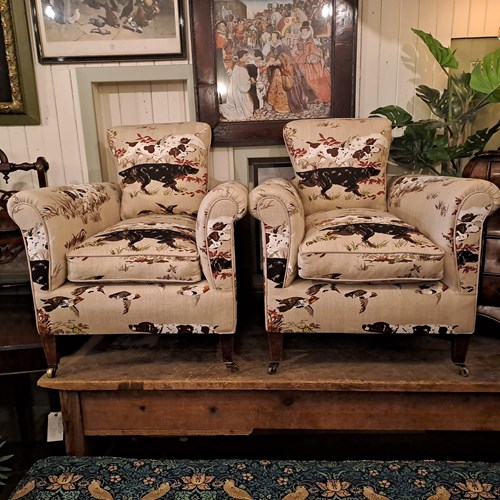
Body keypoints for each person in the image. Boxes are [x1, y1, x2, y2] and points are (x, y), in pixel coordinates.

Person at [294, 21, 331, 103]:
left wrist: (309, 58)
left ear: (307, 31)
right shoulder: (300, 40)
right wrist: (298, 51)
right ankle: (302, 97)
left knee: (312, 77)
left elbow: (315, 52)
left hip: (309, 62)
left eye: (305, 30)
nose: (303, 32)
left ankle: (315, 97)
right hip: (301, 59)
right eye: (302, 30)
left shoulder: (311, 41)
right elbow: (297, 51)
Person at [219, 50, 255, 121]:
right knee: (248, 110)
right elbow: (243, 86)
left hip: (234, 90)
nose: (248, 57)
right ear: (243, 56)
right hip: (239, 93)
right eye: (246, 55)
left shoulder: (236, 64)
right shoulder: (242, 68)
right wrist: (251, 81)